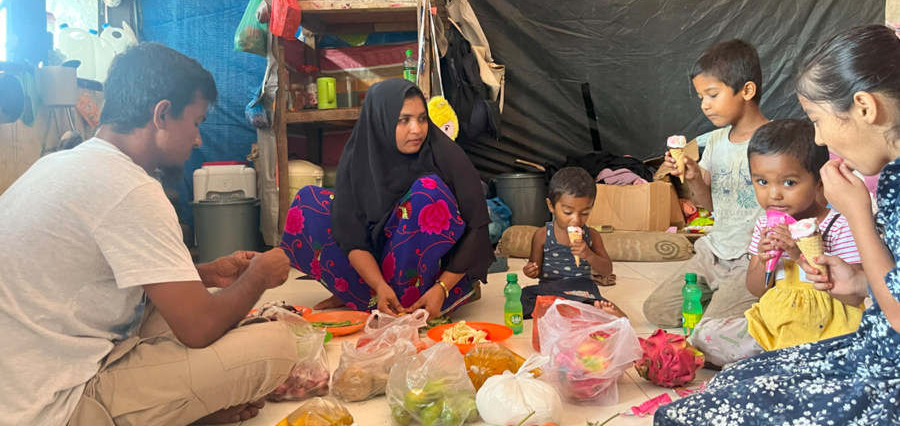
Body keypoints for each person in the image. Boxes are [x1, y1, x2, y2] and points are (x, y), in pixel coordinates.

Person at [0, 43, 296, 426]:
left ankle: (176, 408)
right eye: (196, 122)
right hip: (52, 405)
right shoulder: (131, 188)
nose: (197, 140)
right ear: (162, 114)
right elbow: (199, 328)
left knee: (170, 312)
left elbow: (99, 275)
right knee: (276, 346)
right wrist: (258, 276)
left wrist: (203, 274)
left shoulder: (59, 164)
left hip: (18, 384)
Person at [656, 24, 900, 425]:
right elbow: (887, 287)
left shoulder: (852, 208)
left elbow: (895, 313)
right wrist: (858, 283)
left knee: (688, 416)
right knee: (727, 381)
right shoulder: (892, 179)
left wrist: (856, 213)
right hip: (870, 347)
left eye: (817, 120)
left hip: (882, 367)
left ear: (864, 107)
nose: (819, 140)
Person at [280, 79, 493, 320]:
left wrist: (442, 288)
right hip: (378, 266)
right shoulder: (358, 159)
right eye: (404, 120)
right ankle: (371, 293)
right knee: (308, 201)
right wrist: (379, 285)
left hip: (434, 277)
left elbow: (477, 227)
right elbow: (351, 237)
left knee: (427, 193)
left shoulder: (444, 154)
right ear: (379, 120)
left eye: (422, 118)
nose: (417, 129)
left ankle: (427, 298)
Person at [689, 119, 864, 366]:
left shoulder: (840, 226)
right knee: (702, 337)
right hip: (772, 324)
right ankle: (768, 362)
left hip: (828, 328)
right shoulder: (765, 226)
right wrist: (763, 261)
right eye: (762, 182)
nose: (773, 194)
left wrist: (798, 254)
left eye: (789, 182)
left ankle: (774, 365)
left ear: (819, 182)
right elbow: (757, 289)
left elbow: (853, 297)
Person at [643, 40, 769, 327]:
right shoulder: (714, 140)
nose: (704, 105)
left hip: (750, 258)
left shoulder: (774, 143)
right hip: (714, 251)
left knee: (713, 332)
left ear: (747, 90)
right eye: (701, 97)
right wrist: (695, 177)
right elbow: (708, 205)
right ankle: (722, 298)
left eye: (712, 94)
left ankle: (742, 300)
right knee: (657, 310)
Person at [522, 167, 624, 318]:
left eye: (584, 213)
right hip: (550, 288)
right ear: (551, 206)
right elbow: (535, 270)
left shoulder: (592, 236)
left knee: (590, 299)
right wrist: (530, 270)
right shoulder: (543, 235)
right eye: (568, 212)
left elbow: (607, 271)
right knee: (524, 295)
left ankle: (598, 310)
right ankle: (570, 309)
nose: (576, 219)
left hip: (580, 288)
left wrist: (588, 255)